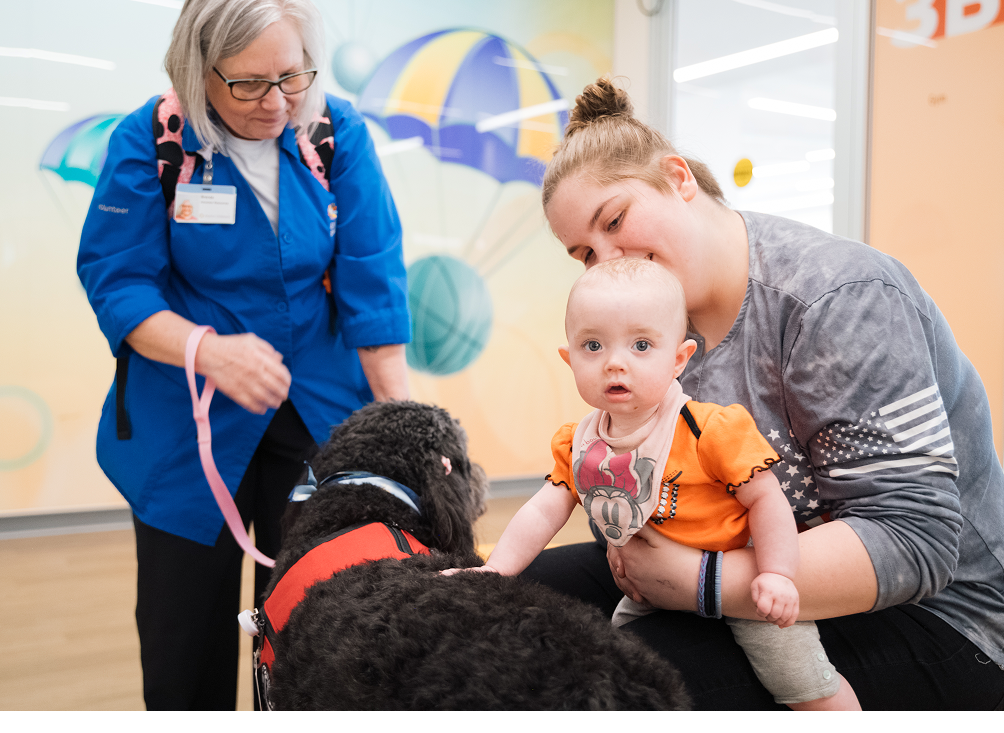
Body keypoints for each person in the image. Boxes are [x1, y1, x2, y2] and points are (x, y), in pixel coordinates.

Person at [520, 77, 1004, 710]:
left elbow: (917, 541)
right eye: (585, 253)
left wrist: (701, 581)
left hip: (943, 618)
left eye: (615, 221)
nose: (608, 260)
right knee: (513, 608)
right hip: (741, 569)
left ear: (678, 177)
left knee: (644, 675)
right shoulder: (660, 329)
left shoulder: (838, 298)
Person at [76, 0, 410, 710]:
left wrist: (404, 431)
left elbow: (373, 283)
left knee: (311, 632)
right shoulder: (154, 142)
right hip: (188, 423)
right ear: (200, 73)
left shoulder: (334, 132)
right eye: (249, 84)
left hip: (315, 411)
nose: (276, 102)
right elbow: (118, 279)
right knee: (183, 642)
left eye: (291, 76)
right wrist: (205, 349)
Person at [450, 258, 859, 709]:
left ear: (679, 358)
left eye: (641, 345)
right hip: (649, 590)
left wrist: (777, 574)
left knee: (803, 684)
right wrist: (497, 568)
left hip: (740, 586)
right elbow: (544, 509)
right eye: (593, 346)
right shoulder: (580, 440)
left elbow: (766, 500)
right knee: (621, 674)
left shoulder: (710, 430)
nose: (615, 364)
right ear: (568, 359)